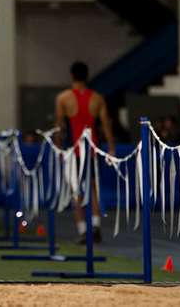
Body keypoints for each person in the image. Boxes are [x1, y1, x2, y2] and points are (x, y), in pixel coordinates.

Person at [54, 61, 115, 244]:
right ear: (87, 76)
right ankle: (95, 227)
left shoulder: (63, 98)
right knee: (94, 191)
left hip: (74, 151)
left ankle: (82, 230)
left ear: (71, 75)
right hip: (92, 151)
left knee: (76, 192)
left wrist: (58, 148)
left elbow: (60, 127)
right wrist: (111, 148)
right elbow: (106, 126)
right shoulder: (97, 99)